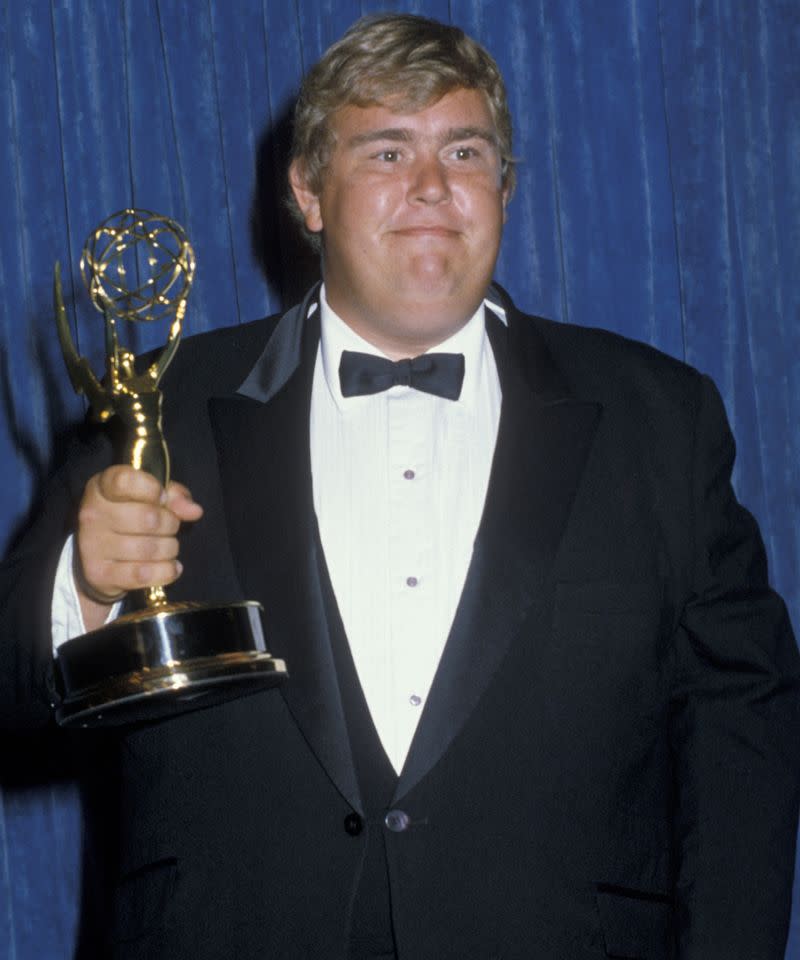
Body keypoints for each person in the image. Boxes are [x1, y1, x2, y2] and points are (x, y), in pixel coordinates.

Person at [1, 12, 798, 960]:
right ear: (308, 193)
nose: (430, 188)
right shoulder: (157, 407)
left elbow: (742, 739)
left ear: (504, 187)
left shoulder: (661, 416)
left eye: (464, 150)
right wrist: (84, 590)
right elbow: (11, 701)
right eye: (385, 151)